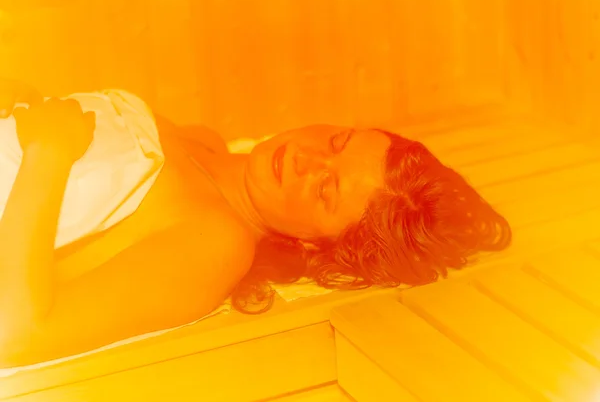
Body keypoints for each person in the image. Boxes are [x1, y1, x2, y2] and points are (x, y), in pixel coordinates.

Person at [0, 79, 511, 368]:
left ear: (319, 243)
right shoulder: (202, 143)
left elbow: (18, 331)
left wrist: (50, 151)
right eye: (337, 142)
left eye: (326, 189)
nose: (308, 160)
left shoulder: (214, 243)